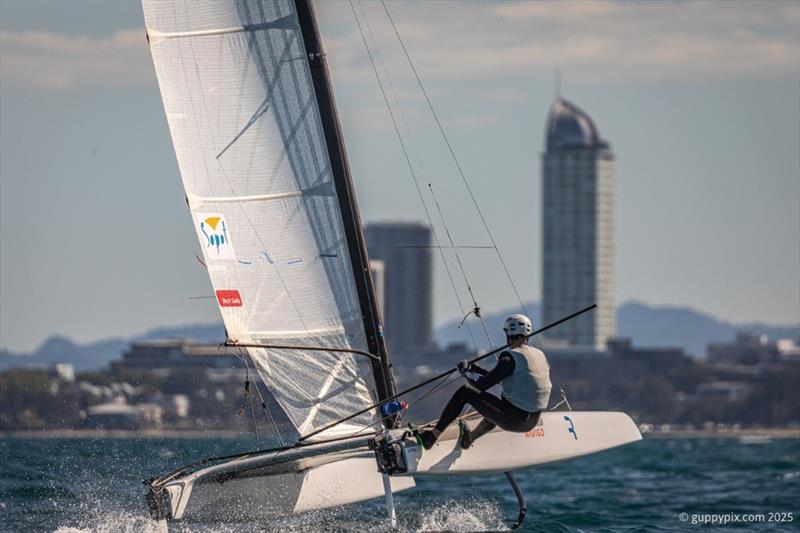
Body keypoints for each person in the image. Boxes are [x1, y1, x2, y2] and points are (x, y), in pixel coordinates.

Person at [417, 314, 552, 450]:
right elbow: (508, 379)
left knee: (465, 392)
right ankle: (469, 438)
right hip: (532, 422)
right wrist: (477, 370)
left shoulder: (510, 358)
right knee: (495, 407)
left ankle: (431, 437)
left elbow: (482, 385)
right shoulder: (539, 355)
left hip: (512, 420)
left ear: (507, 334)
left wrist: (465, 371)